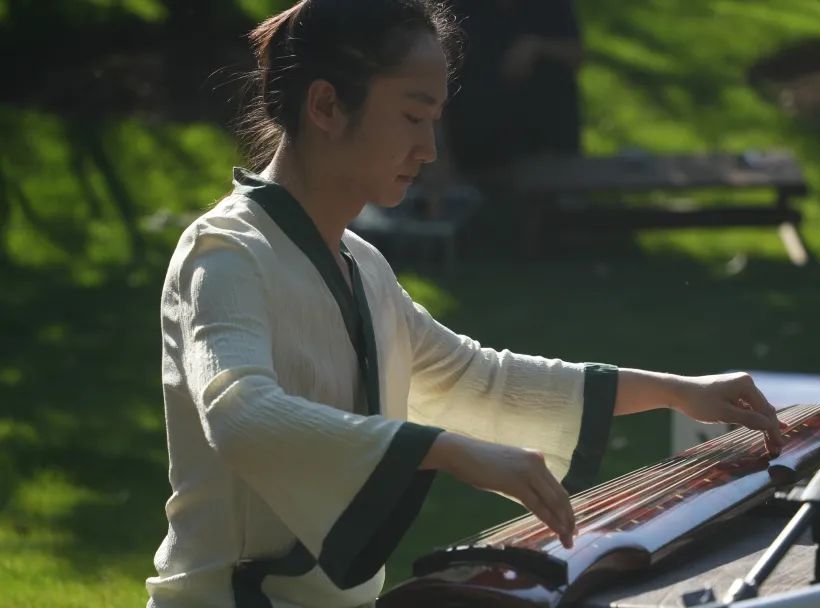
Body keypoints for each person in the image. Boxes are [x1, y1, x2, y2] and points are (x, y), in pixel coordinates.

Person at [145, 1, 783, 606]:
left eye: (434, 121)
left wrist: (679, 392)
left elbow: (479, 378)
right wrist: (448, 450)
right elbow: (241, 413)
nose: (428, 150)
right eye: (412, 116)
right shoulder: (226, 253)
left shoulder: (361, 265)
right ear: (326, 106)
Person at [442, 0, 585, 175]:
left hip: (545, 141)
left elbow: (576, 54)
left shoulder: (551, 5)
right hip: (476, 143)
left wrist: (536, 46)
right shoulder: (459, 8)